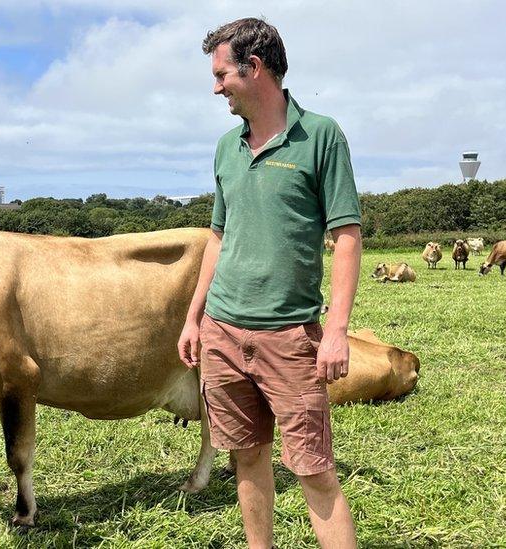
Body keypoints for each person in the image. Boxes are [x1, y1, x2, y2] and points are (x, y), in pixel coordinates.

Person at [178, 17, 362, 549]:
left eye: (221, 75)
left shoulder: (321, 136)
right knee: (247, 455)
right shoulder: (225, 148)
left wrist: (337, 329)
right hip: (223, 334)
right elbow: (218, 237)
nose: (215, 88)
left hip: (290, 337)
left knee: (313, 469)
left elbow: (347, 236)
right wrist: (194, 318)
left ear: (254, 68)